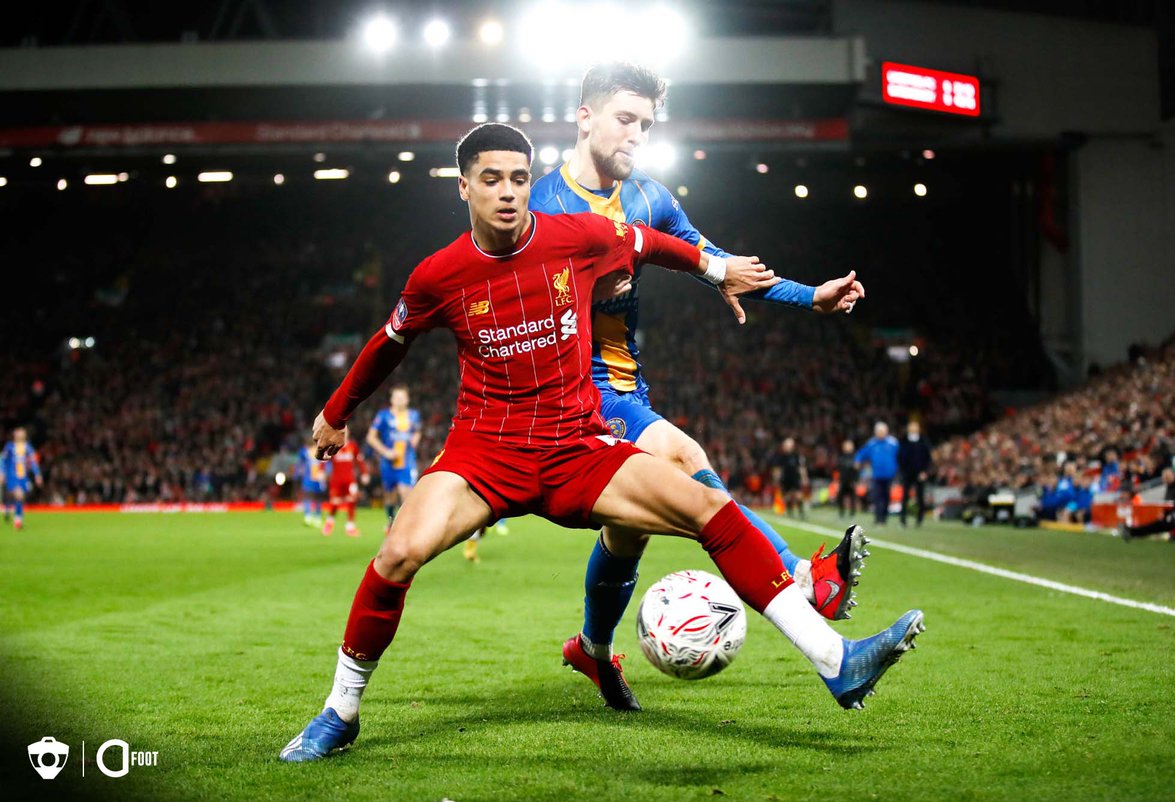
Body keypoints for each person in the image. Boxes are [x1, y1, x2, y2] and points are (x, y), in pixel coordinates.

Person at [278, 124, 923, 762]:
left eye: (519, 178)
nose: (508, 192)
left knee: (709, 505)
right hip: (485, 453)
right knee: (398, 553)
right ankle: (340, 713)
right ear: (464, 187)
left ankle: (836, 661)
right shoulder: (438, 275)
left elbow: (654, 242)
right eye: (492, 179)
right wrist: (336, 414)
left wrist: (720, 269)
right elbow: (388, 344)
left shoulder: (578, 236)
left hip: (579, 448)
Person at [529, 63, 871, 705]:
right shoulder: (541, 205)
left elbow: (720, 266)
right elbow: (504, 304)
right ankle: (802, 576)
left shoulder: (650, 200)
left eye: (646, 124)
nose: (637, 134)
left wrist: (811, 296)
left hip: (626, 388)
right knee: (686, 458)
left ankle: (592, 651)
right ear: (584, 117)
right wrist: (585, 291)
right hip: (570, 394)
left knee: (627, 532)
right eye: (625, 119)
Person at [365, 386, 422, 532]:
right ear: (391, 399)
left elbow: (417, 431)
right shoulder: (383, 415)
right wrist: (385, 452)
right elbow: (371, 437)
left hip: (407, 461)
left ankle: (404, 527)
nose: (399, 400)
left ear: (407, 399)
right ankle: (391, 521)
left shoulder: (413, 415)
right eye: (397, 397)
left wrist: (415, 439)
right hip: (388, 463)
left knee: (405, 493)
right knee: (390, 497)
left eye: (402, 397)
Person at [1120, 474, 1175, 543]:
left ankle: (1132, 532)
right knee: (1156, 525)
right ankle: (1132, 532)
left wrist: (1174, 518)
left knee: (1156, 526)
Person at [322, 436, 368, 537]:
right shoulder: (333, 446)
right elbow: (325, 459)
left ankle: (350, 527)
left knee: (352, 501)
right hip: (336, 480)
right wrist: (321, 471)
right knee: (335, 502)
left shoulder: (353, 446)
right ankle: (329, 522)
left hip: (350, 479)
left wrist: (364, 473)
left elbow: (359, 460)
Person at [856, 422, 899, 526]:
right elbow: (862, 453)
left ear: (886, 431)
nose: (881, 433)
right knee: (877, 497)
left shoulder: (893, 443)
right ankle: (878, 517)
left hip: (889, 475)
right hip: (876, 475)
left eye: (882, 431)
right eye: (879, 431)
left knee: (886, 497)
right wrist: (857, 460)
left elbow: (900, 456)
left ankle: (884, 518)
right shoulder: (872, 443)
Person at [2, 427, 43, 530]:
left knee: (19, 497)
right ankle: (17, 519)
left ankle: (10, 510)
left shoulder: (28, 448)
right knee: (18, 495)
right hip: (12, 476)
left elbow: (33, 462)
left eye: (22, 433)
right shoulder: (9, 447)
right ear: (15, 435)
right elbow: (3, 460)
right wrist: (2, 472)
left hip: (23, 477)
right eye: (18, 432)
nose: (20, 434)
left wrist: (37, 474)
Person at [897, 420, 932, 527]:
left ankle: (920, 519)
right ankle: (903, 519)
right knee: (905, 496)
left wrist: (925, 471)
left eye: (915, 427)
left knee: (920, 496)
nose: (913, 429)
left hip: (920, 473)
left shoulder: (923, 440)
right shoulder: (904, 440)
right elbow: (900, 457)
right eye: (911, 427)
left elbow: (927, 457)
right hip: (907, 473)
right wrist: (903, 471)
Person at [771, 437, 808, 518]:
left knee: (798, 496)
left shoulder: (796, 456)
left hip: (795, 478)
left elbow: (801, 468)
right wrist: (776, 479)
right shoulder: (781, 457)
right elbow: (777, 469)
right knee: (787, 497)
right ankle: (790, 513)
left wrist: (804, 478)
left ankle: (801, 513)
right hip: (785, 479)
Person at [293, 443, 326, 527]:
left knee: (317, 498)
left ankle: (317, 517)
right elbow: (299, 463)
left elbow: (327, 464)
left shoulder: (322, 451)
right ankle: (308, 516)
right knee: (308, 496)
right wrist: (297, 474)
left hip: (318, 478)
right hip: (308, 478)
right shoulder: (305, 452)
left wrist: (325, 474)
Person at [835, 439, 860, 517]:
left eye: (849, 446)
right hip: (843, 480)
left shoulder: (855, 457)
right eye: (846, 446)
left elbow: (856, 470)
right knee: (840, 496)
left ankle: (852, 513)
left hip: (851, 480)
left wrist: (856, 480)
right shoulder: (841, 457)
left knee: (852, 497)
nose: (848, 447)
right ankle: (841, 512)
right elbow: (839, 469)